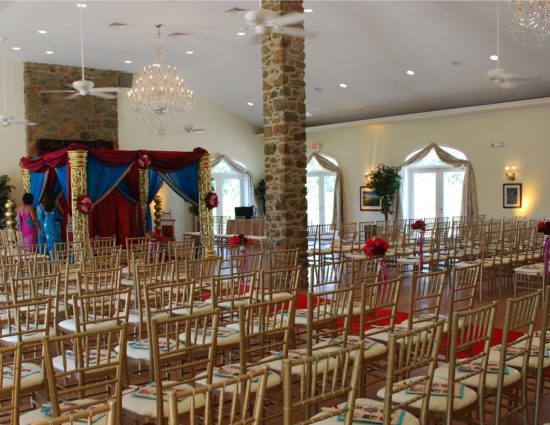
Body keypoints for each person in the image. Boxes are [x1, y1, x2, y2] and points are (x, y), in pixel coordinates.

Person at [37, 191, 62, 256]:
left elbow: (40, 218)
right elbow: (62, 213)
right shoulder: (54, 205)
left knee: (49, 242)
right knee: (57, 242)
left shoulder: (41, 206)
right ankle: (58, 258)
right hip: (56, 225)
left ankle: (50, 258)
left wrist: (40, 229)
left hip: (47, 226)